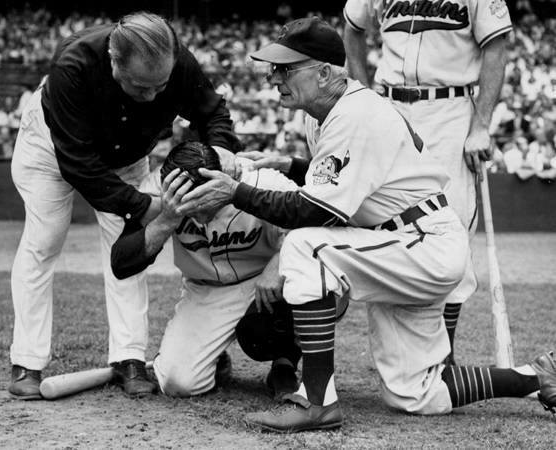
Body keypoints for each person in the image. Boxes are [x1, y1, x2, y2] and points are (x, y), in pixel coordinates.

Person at [174, 17, 556, 433]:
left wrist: (235, 192)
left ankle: (317, 402)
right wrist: (295, 165)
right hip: (401, 243)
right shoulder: (322, 111)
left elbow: (317, 211)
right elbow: (361, 179)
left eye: (285, 68)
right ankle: (537, 376)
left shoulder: (354, 113)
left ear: (323, 72)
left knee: (306, 246)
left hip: (419, 242)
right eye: (272, 67)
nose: (273, 76)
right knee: (417, 393)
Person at [8, 11, 242, 400]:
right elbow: (80, 166)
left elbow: (213, 111)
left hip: (129, 153)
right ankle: (27, 360)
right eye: (140, 87)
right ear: (115, 63)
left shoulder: (175, 59)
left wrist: (220, 150)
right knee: (45, 238)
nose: (152, 97)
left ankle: (128, 357)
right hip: (52, 149)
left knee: (128, 243)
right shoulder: (74, 66)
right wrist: (145, 207)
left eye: (160, 87)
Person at [343, 0, 513, 365]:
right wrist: (363, 90)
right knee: (385, 226)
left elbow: (497, 46)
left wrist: (481, 124)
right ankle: (398, 348)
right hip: (389, 108)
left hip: (449, 111)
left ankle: (443, 358)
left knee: (452, 226)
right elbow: (353, 29)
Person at [110, 141, 301, 399]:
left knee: (314, 278)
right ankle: (215, 357)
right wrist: (167, 218)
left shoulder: (261, 180)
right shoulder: (158, 192)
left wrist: (279, 261)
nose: (198, 215)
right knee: (178, 383)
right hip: (207, 290)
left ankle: (285, 362)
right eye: (191, 205)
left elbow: (316, 223)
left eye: (204, 202)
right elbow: (121, 263)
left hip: (265, 282)